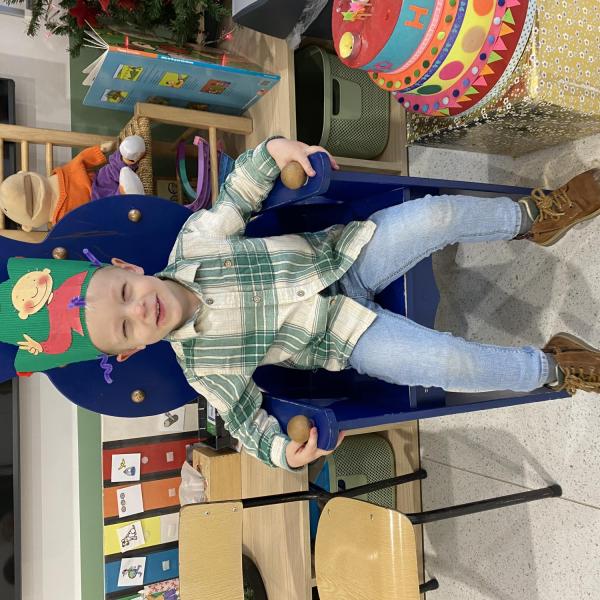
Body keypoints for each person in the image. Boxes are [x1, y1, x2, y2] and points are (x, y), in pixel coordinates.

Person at [8, 138, 600, 470]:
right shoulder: (205, 371)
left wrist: (273, 151)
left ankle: (534, 217)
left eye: (126, 294)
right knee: (447, 363)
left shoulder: (196, 242)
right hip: (346, 337)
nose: (140, 311)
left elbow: (240, 191)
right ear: (131, 350)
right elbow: (249, 428)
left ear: (128, 268)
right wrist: (284, 453)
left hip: (344, 255)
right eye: (124, 327)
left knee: (435, 215)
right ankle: (553, 367)